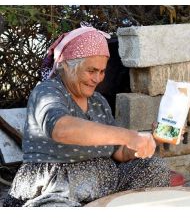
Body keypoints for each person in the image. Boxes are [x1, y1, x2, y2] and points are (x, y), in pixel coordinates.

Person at [3, 25, 170, 207]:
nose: (98, 79)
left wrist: (151, 140)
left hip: (103, 182)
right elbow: (62, 129)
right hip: (56, 187)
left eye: (102, 71)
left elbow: (118, 152)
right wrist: (129, 135)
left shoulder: (98, 101)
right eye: (91, 71)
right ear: (67, 66)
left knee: (154, 167)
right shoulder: (48, 91)